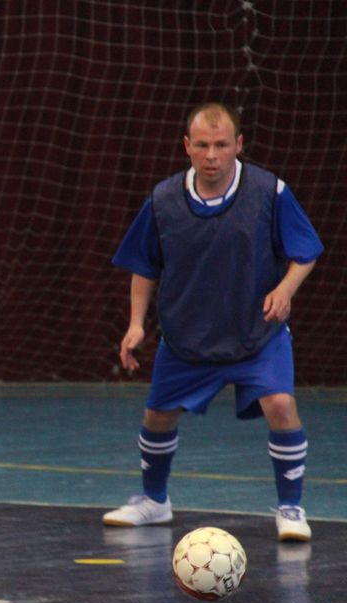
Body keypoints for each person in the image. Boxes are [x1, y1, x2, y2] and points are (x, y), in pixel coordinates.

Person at [103, 102, 324, 542]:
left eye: (221, 145)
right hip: (187, 336)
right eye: (202, 145)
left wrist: (285, 290)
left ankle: (291, 508)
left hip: (256, 333)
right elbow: (144, 266)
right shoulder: (163, 199)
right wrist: (136, 323)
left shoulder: (269, 191)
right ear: (187, 146)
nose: (211, 155)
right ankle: (154, 501)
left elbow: (306, 252)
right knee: (157, 414)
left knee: (280, 405)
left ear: (238, 145)